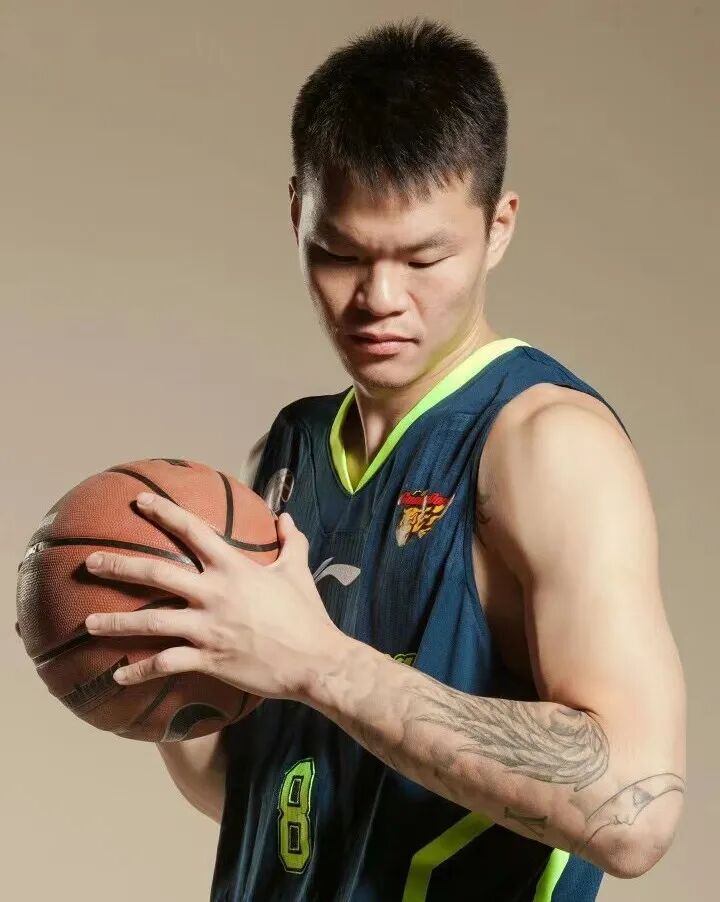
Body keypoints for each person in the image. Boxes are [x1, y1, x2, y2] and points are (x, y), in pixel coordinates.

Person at [84, 18, 686, 901]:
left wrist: (319, 663)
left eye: (425, 257)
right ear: (298, 213)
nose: (379, 298)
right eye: (340, 253)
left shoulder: (545, 445)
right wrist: (163, 676)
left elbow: (633, 810)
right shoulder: (290, 450)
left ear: (499, 227)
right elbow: (270, 798)